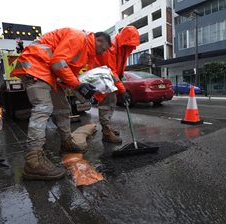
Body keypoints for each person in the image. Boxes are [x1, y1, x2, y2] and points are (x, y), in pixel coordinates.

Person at [11, 28, 111, 180]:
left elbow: (66, 75)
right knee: (43, 108)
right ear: (98, 40)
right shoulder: (79, 38)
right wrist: (78, 85)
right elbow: (58, 63)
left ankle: (66, 142)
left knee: (62, 107)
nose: (102, 53)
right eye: (103, 49)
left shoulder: (84, 51)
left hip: (47, 71)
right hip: (37, 66)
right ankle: (33, 160)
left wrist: (83, 90)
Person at [88, 26, 140, 143]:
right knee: (106, 104)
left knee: (111, 103)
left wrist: (120, 81)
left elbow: (118, 67)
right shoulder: (111, 48)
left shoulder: (123, 47)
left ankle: (108, 128)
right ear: (124, 41)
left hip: (111, 78)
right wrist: (123, 90)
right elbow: (110, 71)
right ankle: (106, 133)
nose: (130, 48)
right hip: (103, 78)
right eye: (128, 45)